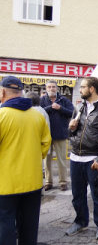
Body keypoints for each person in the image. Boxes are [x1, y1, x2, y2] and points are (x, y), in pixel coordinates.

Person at [0, 76, 51, 245]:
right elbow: (45, 144)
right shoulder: (37, 116)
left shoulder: (2, 115)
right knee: (29, 229)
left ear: (2, 93)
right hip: (33, 183)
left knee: (5, 227)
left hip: (5, 185)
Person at [66, 77, 98, 240]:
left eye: (82, 87)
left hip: (93, 159)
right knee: (77, 194)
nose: (80, 90)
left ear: (92, 89)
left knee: (97, 193)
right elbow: (72, 134)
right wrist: (71, 128)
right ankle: (81, 221)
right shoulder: (79, 108)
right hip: (76, 157)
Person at [41, 80, 74, 191]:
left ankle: (63, 182)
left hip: (60, 133)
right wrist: (50, 107)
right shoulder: (42, 100)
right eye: (49, 87)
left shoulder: (64, 100)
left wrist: (60, 108)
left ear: (57, 88)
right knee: (47, 160)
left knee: (62, 159)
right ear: (46, 88)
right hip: (45, 134)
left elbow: (72, 112)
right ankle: (48, 182)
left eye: (53, 87)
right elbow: (38, 112)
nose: (51, 89)